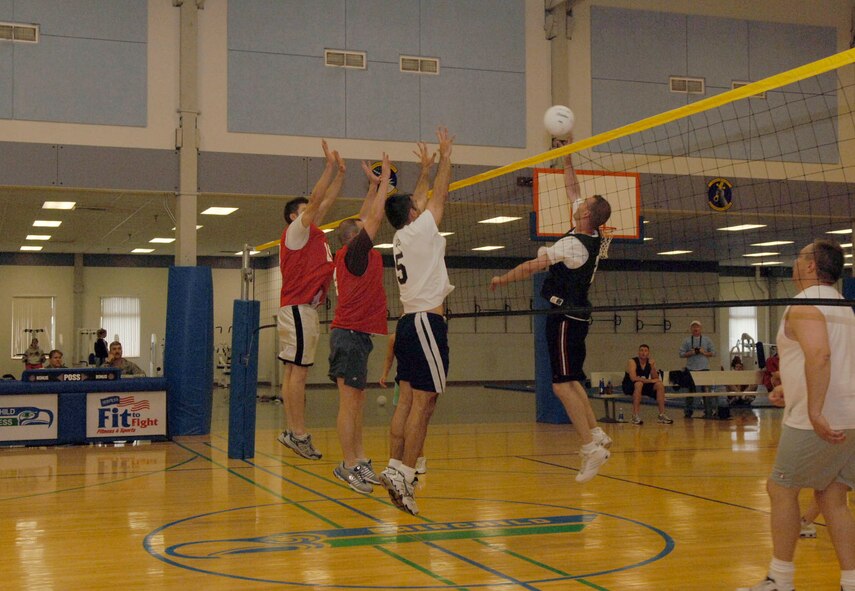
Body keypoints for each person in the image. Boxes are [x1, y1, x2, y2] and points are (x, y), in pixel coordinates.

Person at [490, 132, 613, 484]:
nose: (577, 202)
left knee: (561, 385)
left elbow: (533, 266)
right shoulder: (591, 236)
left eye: (582, 203)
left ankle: (591, 447)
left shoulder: (573, 245)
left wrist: (503, 279)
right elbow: (572, 190)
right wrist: (569, 157)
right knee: (571, 379)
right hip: (577, 315)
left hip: (564, 317)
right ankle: (596, 432)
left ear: (586, 214)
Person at [738, 239, 855, 591]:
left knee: (780, 488)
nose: (794, 261)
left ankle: (780, 579)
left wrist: (815, 409)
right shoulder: (845, 306)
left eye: (800, 256)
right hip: (850, 413)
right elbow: (834, 360)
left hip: (818, 419)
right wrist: (790, 387)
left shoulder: (805, 303)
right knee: (833, 496)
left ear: (809, 267)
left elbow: (819, 356)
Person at [379, 128, 454, 515]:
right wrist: (444, 158)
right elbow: (437, 197)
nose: (421, 205)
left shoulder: (403, 236)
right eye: (416, 205)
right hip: (426, 323)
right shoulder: (421, 228)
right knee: (424, 404)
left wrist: (423, 169)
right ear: (413, 213)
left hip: (409, 322)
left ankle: (394, 467)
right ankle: (406, 472)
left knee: (407, 401)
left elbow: (420, 198)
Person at [276, 140, 345, 461]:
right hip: (298, 308)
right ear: (294, 215)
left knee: (294, 371)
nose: (313, 211)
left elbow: (325, 201)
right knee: (298, 373)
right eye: (305, 209)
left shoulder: (312, 233)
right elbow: (318, 199)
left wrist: (341, 174)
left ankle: (293, 431)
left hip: (301, 309)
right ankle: (298, 433)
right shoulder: (296, 231)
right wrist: (328, 167)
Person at [328, 155, 391, 494]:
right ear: (354, 239)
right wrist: (381, 187)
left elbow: (367, 215)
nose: (368, 227)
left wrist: (371, 186)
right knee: (349, 404)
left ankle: (360, 458)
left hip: (357, 335)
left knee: (357, 404)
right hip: (349, 335)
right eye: (362, 230)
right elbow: (375, 217)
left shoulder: (356, 253)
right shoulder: (354, 254)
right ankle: (348, 465)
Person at [378, 333, 427, 476]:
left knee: (415, 421)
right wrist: (385, 374)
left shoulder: (420, 333)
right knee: (402, 420)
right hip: (402, 382)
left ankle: (419, 459)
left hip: (418, 381)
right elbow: (389, 358)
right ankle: (396, 461)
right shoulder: (394, 338)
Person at [621, 344, 673, 425]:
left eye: (645, 351)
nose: (643, 353)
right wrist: (650, 381)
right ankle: (635, 416)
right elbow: (633, 378)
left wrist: (652, 367)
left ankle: (662, 414)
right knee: (638, 384)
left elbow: (655, 378)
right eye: (641, 350)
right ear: (638, 352)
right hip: (629, 386)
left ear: (648, 353)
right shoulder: (632, 361)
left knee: (659, 385)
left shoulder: (650, 362)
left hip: (643, 385)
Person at [678, 320, 717, 418]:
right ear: (691, 329)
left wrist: (704, 352)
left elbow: (714, 352)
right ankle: (688, 412)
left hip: (704, 368)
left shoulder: (707, 340)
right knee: (689, 392)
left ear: (701, 328)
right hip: (690, 369)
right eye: (693, 327)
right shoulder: (686, 341)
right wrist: (691, 353)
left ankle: (708, 412)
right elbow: (681, 354)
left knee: (706, 392)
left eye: (697, 327)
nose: (695, 329)